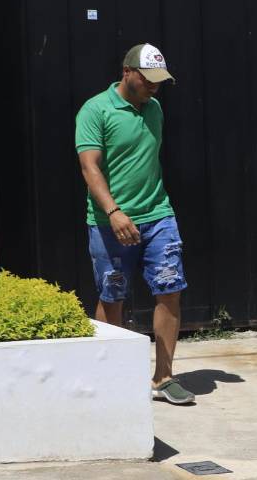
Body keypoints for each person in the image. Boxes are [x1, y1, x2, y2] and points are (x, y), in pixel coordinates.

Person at [75, 43, 194, 405]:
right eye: (148, 80)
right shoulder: (95, 110)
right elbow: (89, 167)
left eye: (159, 81)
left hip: (158, 215)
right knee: (113, 296)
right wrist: (114, 212)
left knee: (169, 289)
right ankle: (113, 377)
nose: (154, 87)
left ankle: (164, 377)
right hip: (110, 222)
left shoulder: (154, 108)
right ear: (127, 72)